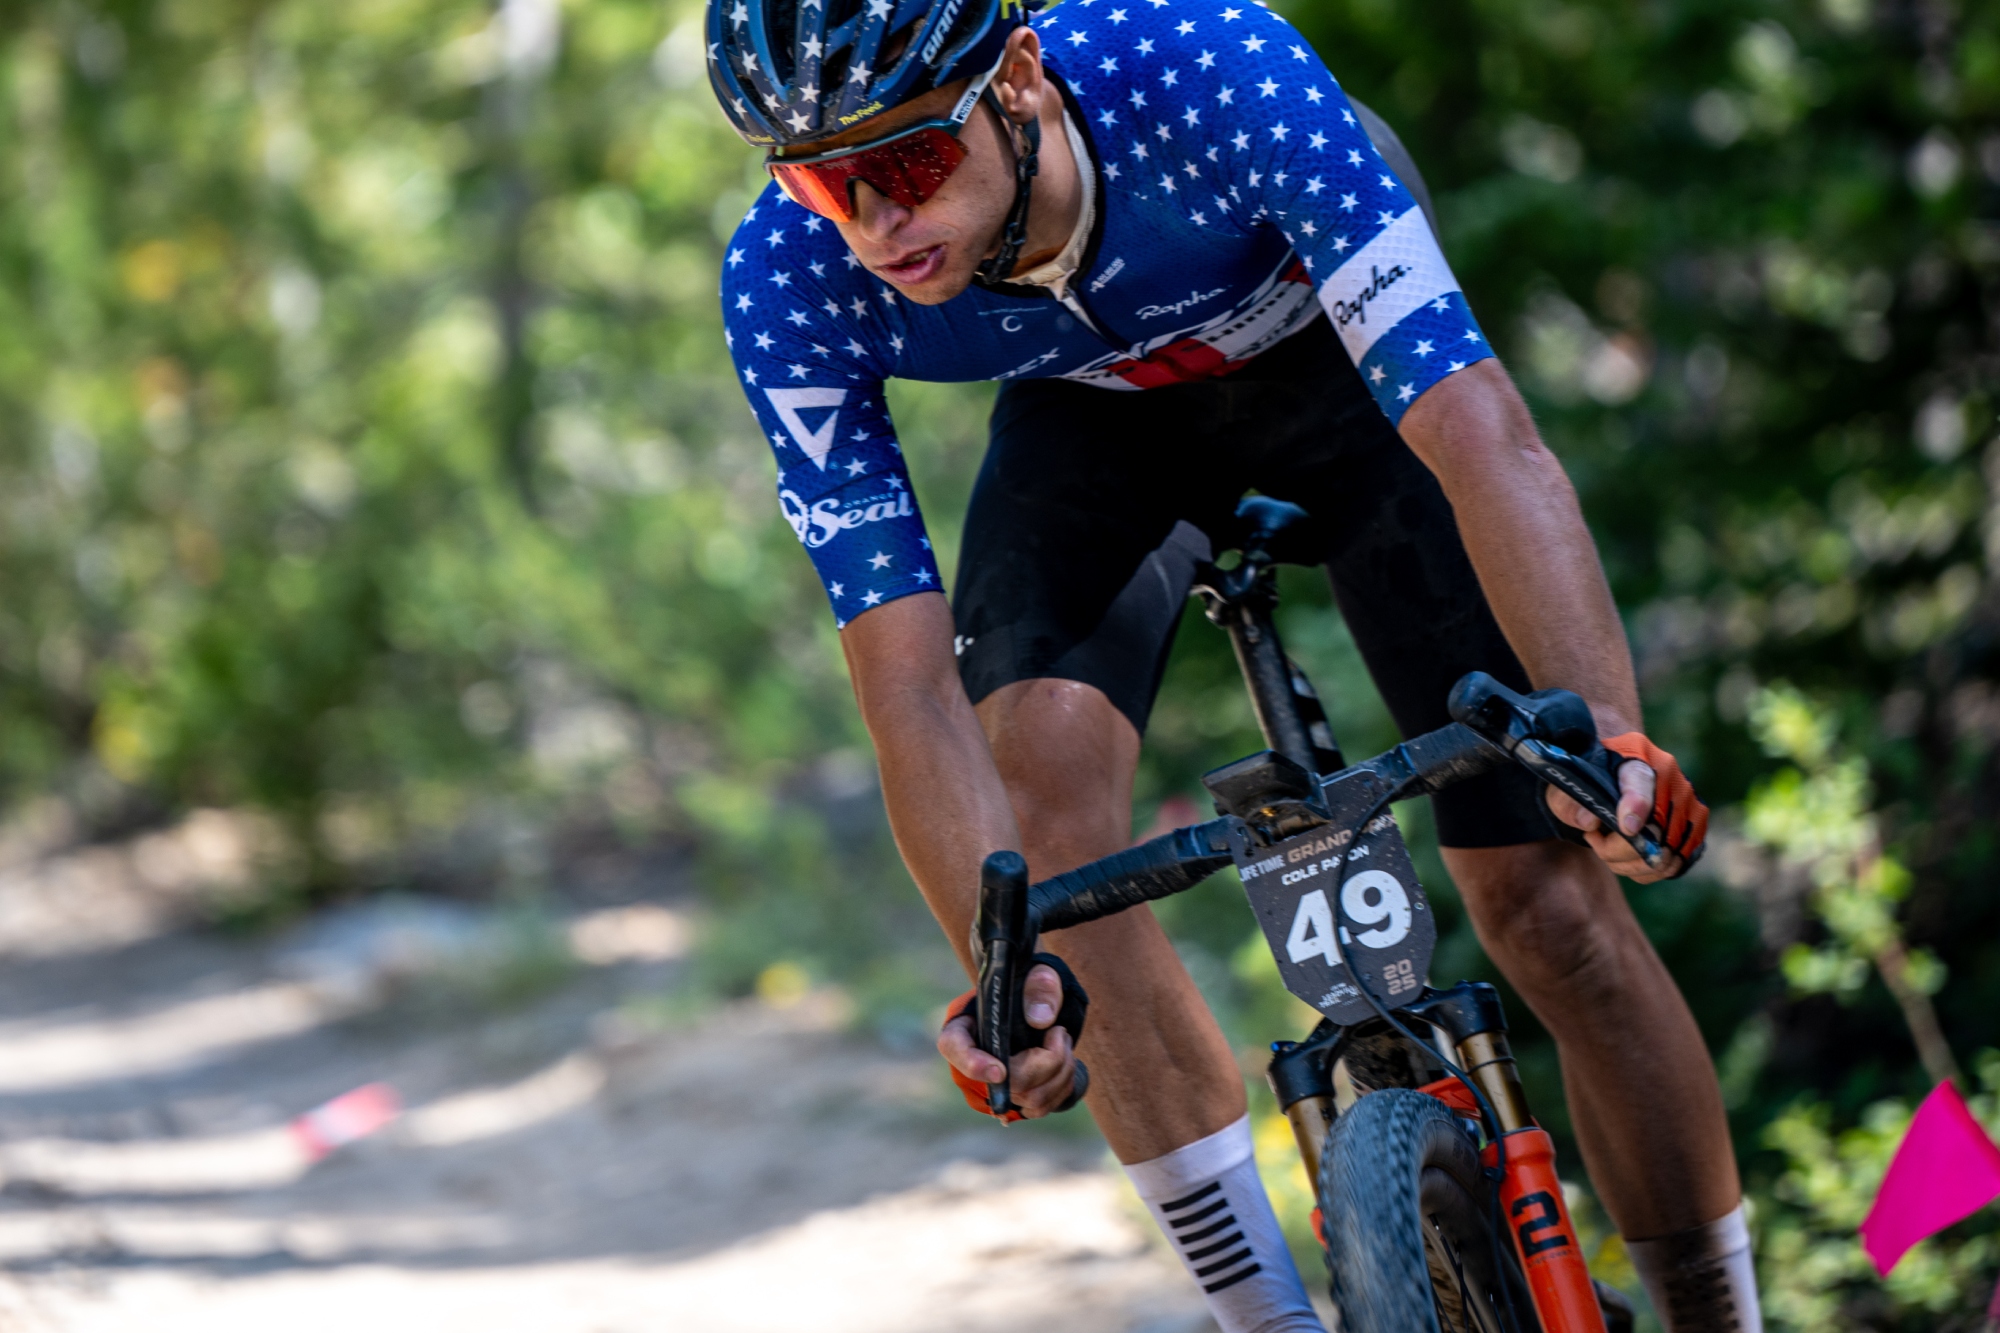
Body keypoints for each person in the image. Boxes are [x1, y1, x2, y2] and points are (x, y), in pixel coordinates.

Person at [703, 0, 1758, 1327]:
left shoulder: (1205, 68)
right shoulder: (793, 278)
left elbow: (1483, 431)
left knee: (1544, 904)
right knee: (1046, 840)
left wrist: (1604, 729)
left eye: (905, 161)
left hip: (1344, 371)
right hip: (1096, 419)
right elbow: (905, 680)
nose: (870, 221)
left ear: (1016, 75)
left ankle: (1722, 1313)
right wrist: (1000, 976)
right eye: (819, 180)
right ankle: (1265, 1314)